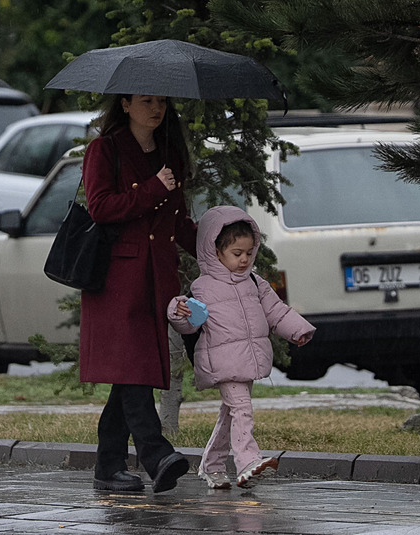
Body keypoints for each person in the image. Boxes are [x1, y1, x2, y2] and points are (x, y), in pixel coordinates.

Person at [79, 94, 198, 493]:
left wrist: (219, 249)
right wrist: (151, 188)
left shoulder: (169, 153)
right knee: (134, 369)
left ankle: (107, 466)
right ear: (126, 105)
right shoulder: (104, 149)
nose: (157, 108)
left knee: (130, 372)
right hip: (116, 279)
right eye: (146, 101)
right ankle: (156, 453)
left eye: (162, 101)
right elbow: (100, 207)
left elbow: (177, 221)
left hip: (156, 279)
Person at [167, 206, 316, 489]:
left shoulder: (254, 282)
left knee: (230, 413)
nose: (245, 259)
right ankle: (248, 461)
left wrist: (297, 330)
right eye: (237, 253)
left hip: (246, 360)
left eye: (249, 252)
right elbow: (188, 324)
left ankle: (211, 465)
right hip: (222, 361)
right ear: (215, 251)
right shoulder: (202, 288)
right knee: (242, 409)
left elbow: (276, 311)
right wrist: (178, 312)